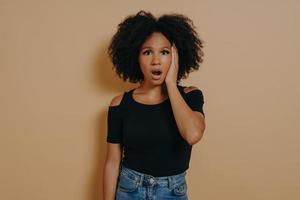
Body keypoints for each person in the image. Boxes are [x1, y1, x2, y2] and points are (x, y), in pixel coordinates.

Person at [103, 10, 206, 200]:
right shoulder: (120, 104)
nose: (156, 61)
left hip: (172, 193)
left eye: (165, 52)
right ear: (136, 57)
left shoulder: (190, 96)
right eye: (147, 52)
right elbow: (112, 162)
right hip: (129, 191)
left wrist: (170, 84)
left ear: (176, 56)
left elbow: (192, 135)